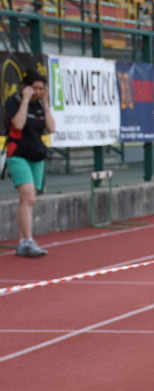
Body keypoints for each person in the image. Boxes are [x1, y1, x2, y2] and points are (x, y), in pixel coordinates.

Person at [4, 70, 55, 257]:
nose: (38, 92)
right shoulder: (14, 102)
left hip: (36, 156)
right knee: (28, 197)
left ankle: (23, 241)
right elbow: (17, 124)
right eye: (34, 88)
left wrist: (46, 103)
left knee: (27, 201)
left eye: (41, 89)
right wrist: (25, 100)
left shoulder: (41, 105)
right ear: (26, 87)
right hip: (18, 154)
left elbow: (52, 128)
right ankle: (27, 240)